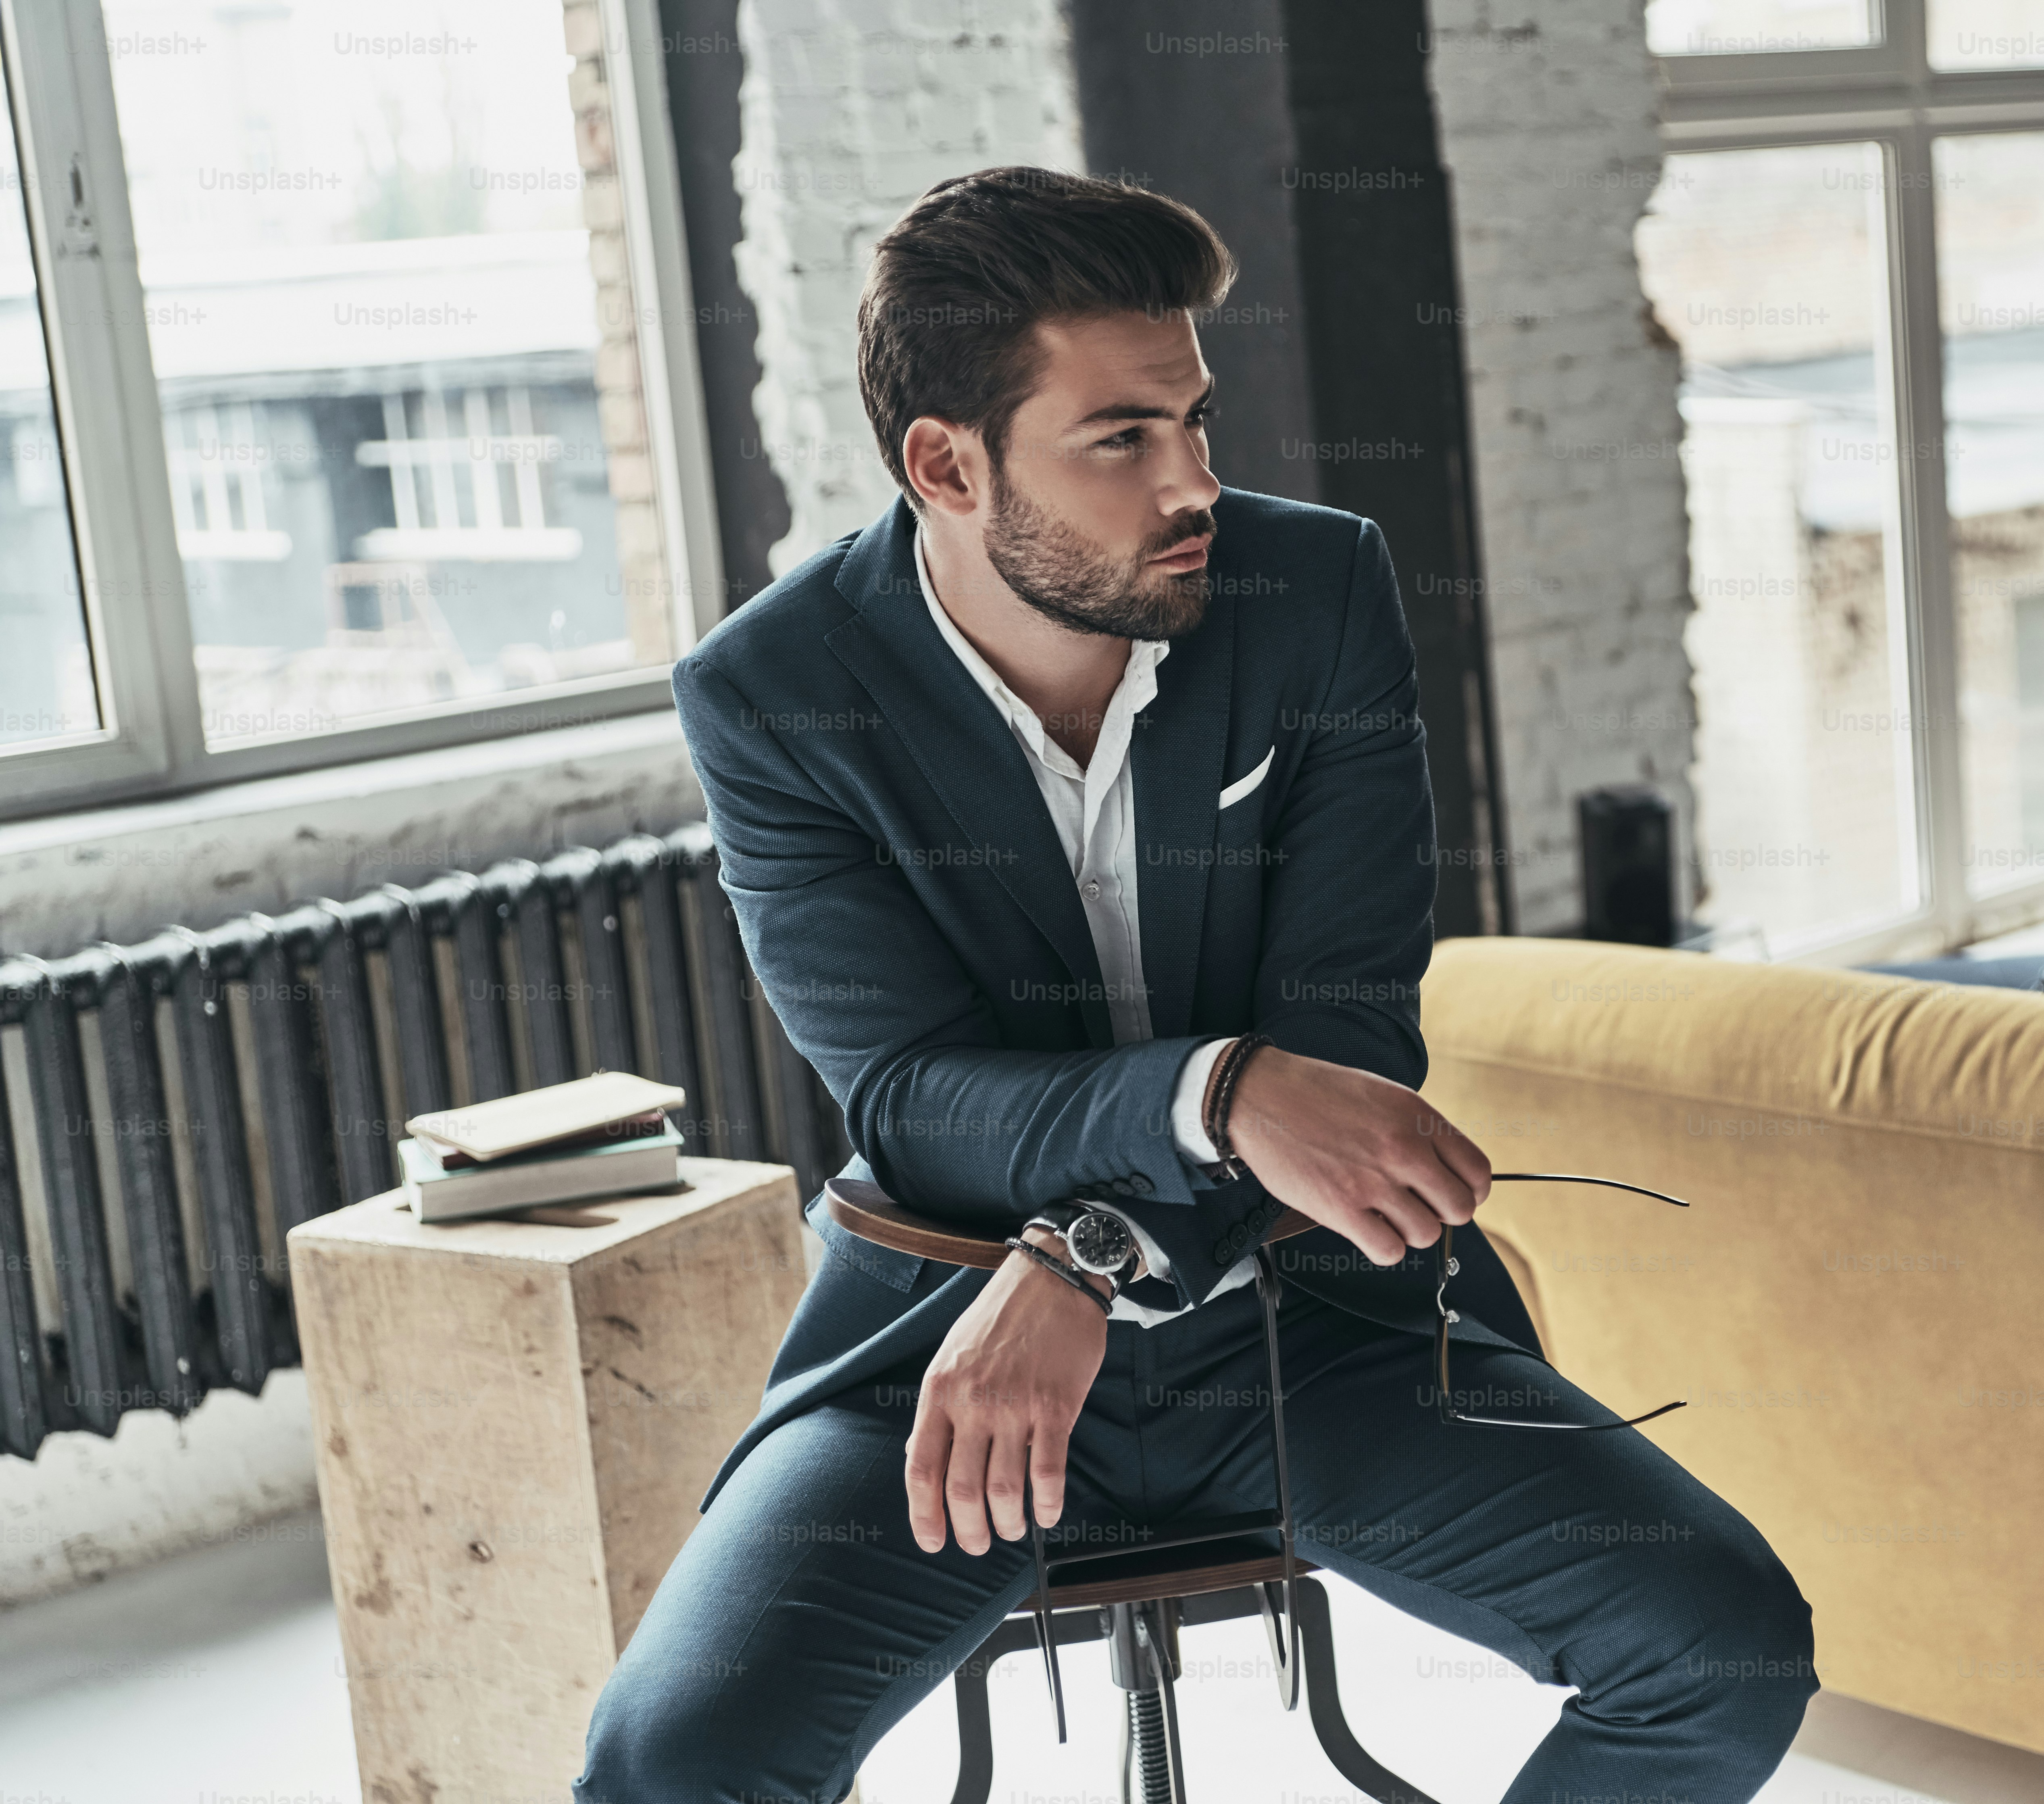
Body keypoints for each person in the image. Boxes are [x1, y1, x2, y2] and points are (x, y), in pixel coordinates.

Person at [575, 165, 1814, 1803]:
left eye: (1196, 423)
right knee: (673, 1762)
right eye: (1122, 441)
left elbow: (1352, 1036)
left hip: (1319, 1327)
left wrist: (1090, 1253)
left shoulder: (1318, 599)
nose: (1195, 485)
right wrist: (1221, 1090)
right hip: (948, 1350)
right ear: (944, 465)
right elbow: (914, 1096)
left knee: (1724, 1652)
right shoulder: (774, 691)